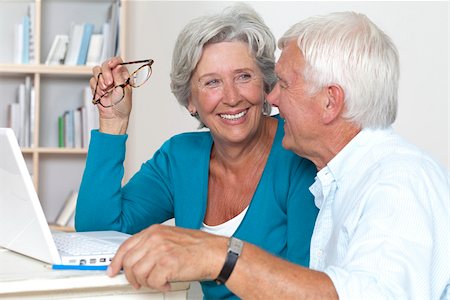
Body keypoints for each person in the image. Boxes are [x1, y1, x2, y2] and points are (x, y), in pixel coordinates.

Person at [106, 11, 450, 300]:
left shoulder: (399, 179)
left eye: (283, 84)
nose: (272, 99)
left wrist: (216, 255)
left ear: (330, 101)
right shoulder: (337, 181)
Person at [75, 4, 318, 299]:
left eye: (243, 76)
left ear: (266, 84)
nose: (231, 97)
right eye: (212, 82)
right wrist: (113, 122)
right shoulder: (179, 158)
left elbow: (307, 286)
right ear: (190, 100)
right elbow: (97, 231)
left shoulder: (298, 151)